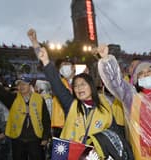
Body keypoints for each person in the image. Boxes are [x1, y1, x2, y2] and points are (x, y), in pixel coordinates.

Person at [27, 28, 133, 159]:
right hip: (69, 154)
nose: (78, 88)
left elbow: (115, 136)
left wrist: (105, 59)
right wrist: (46, 62)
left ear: (92, 87)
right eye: (76, 86)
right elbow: (56, 83)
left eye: (83, 84)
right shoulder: (71, 105)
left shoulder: (106, 107)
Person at [0, 66, 51, 160]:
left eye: (24, 84)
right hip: (18, 139)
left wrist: (45, 137)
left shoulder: (39, 99)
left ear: (30, 85)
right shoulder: (13, 98)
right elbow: (0, 91)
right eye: (19, 85)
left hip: (35, 139)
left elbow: (46, 119)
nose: (21, 86)